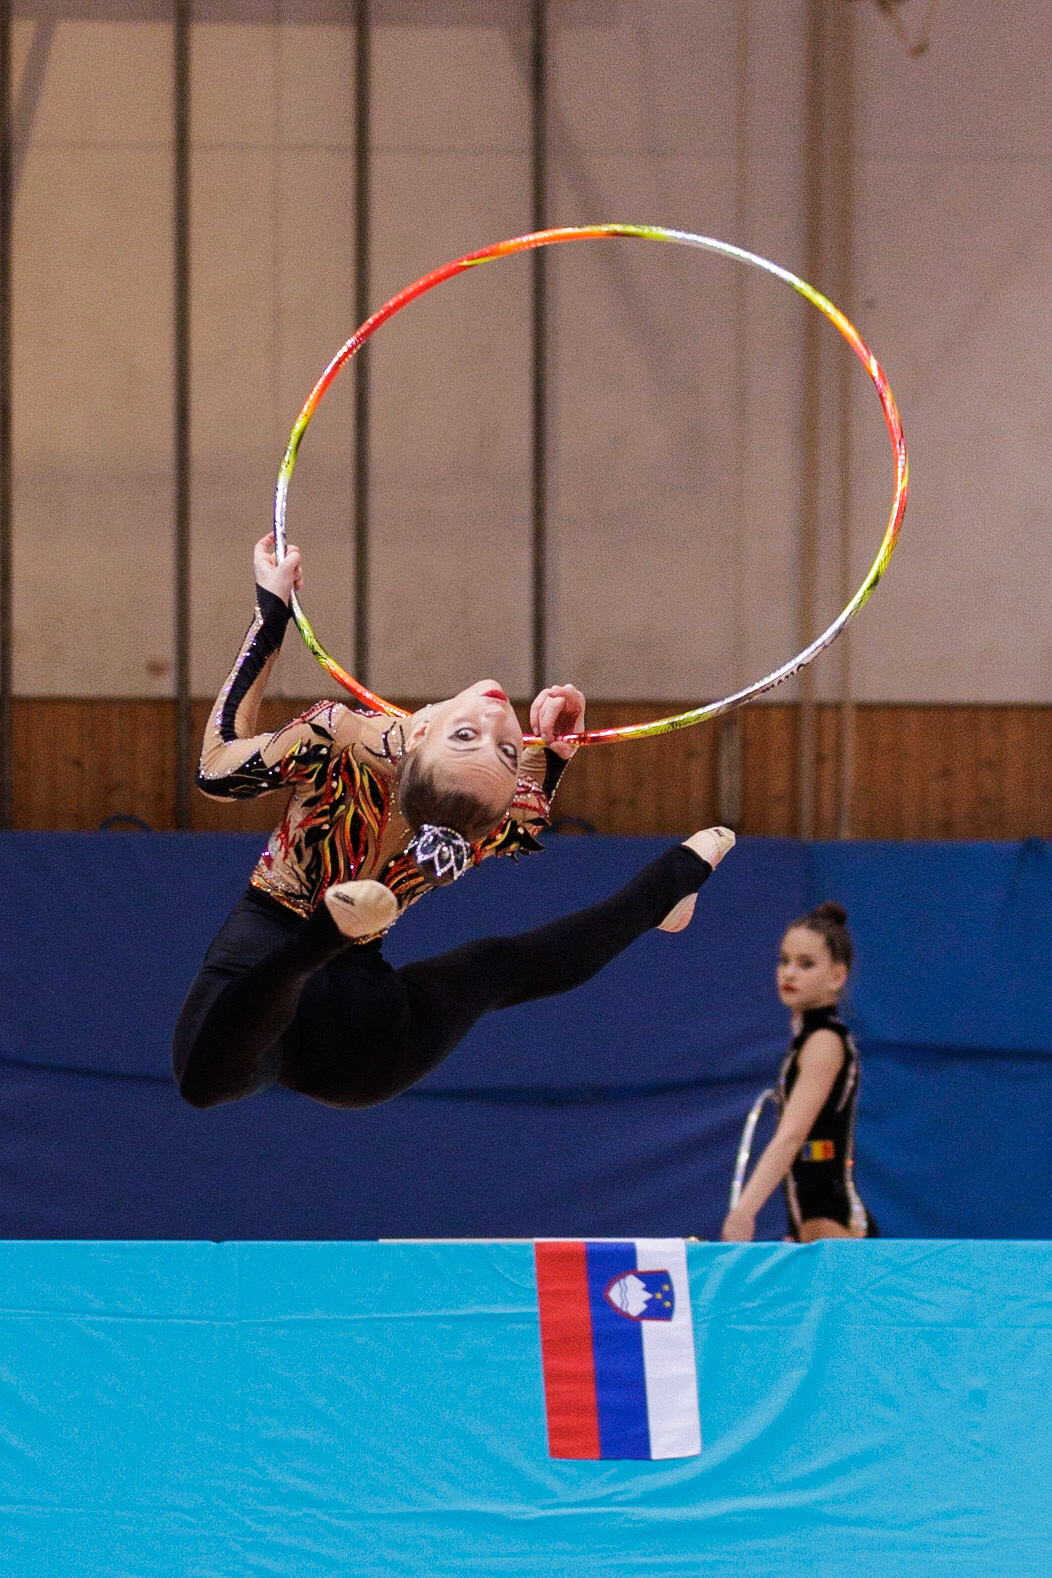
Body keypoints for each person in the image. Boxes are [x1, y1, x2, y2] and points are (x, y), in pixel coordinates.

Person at [172, 533, 736, 1110]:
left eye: (487, 743)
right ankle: (671, 883)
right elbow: (215, 775)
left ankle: (323, 939)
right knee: (209, 1078)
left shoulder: (353, 747)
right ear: (417, 733)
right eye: (501, 747)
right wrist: (553, 751)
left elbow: (216, 766)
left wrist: (270, 616)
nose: (496, 720)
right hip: (264, 981)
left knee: (497, 967)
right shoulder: (343, 745)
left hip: (358, 1037)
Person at [721, 901, 878, 1243]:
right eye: (784, 960)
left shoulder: (824, 1042)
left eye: (806, 964)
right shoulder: (806, 1043)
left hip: (831, 1221)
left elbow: (792, 1136)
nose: (789, 973)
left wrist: (744, 1211)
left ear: (837, 976)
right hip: (810, 1221)